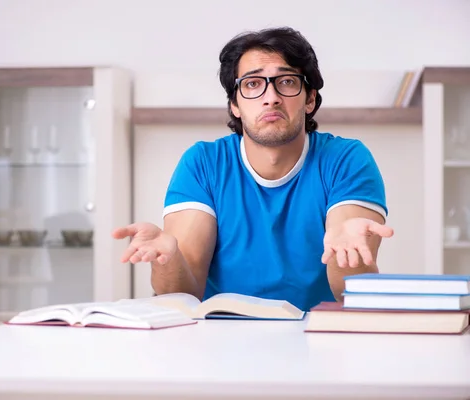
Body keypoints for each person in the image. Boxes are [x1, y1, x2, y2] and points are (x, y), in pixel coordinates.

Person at [112, 26, 394, 311]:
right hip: (221, 338)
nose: (270, 97)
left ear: (309, 99)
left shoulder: (346, 159)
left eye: (286, 81)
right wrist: (169, 258)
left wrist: (348, 257)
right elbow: (184, 294)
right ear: (235, 104)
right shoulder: (203, 163)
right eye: (252, 84)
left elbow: (350, 295)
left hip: (317, 335)